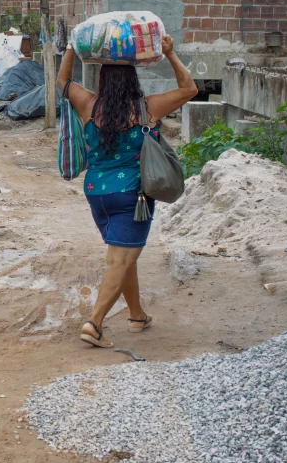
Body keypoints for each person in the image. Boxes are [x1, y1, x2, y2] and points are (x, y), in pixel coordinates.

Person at [57, 34, 198, 348]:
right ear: (133, 80)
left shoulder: (89, 104)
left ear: (103, 80)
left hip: (97, 193)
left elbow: (63, 80)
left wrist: (69, 47)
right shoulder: (148, 108)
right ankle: (94, 323)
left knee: (124, 255)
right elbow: (190, 89)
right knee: (119, 261)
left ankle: (137, 315)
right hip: (135, 197)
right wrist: (171, 54)